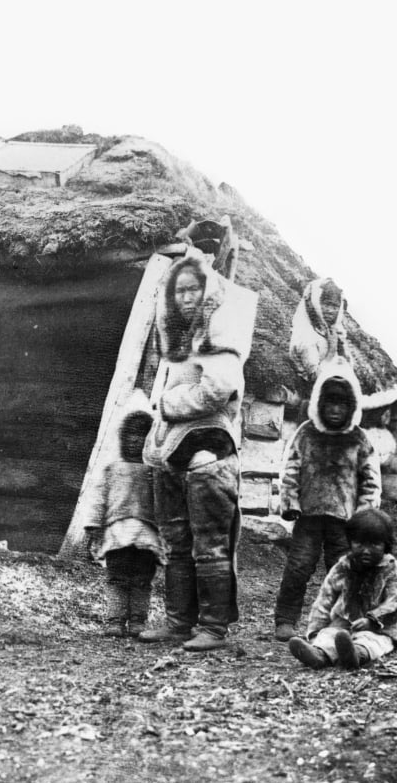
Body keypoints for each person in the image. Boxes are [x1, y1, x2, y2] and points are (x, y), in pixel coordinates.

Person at [139, 253, 254, 652]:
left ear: (208, 293)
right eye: (180, 291)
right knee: (176, 542)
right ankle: (177, 622)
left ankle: (213, 628)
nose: (187, 298)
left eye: (194, 289)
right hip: (173, 452)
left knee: (210, 542)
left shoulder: (218, 339)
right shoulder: (179, 341)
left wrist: (171, 404)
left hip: (209, 451)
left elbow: (218, 390)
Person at [273, 356, 381, 642]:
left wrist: (363, 517)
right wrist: (290, 502)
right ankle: (285, 620)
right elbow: (291, 468)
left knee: (344, 572)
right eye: (330, 403)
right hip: (308, 517)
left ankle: (340, 623)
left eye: (341, 405)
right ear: (320, 403)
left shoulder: (359, 440)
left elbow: (371, 481)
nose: (335, 410)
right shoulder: (306, 433)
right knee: (298, 568)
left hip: (344, 522)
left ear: (352, 407)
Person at [288, 508, 397, 670]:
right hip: (345, 624)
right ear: (350, 542)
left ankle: (355, 655)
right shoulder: (343, 566)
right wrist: (316, 630)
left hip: (382, 628)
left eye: (374, 544)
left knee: (372, 642)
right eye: (359, 543)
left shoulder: (389, 568)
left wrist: (372, 620)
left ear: (386, 545)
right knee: (329, 635)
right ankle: (319, 655)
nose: (366, 551)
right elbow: (325, 598)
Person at [84, 396, 165, 638]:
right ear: (122, 438)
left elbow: (163, 502)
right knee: (117, 578)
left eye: (142, 436)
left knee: (142, 580)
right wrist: (93, 524)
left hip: (146, 536)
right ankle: (115, 620)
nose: (135, 441)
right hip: (117, 535)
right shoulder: (112, 469)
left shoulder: (155, 472)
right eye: (130, 436)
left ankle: (138, 621)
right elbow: (99, 497)